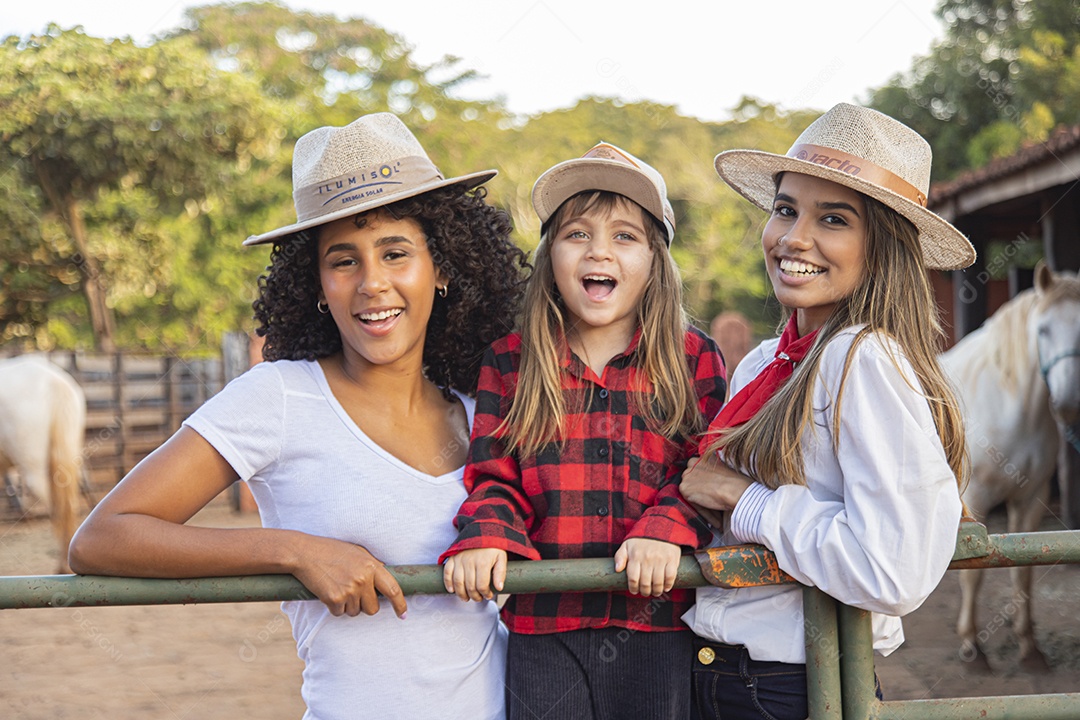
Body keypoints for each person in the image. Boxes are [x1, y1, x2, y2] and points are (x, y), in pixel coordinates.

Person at [67, 113, 529, 720]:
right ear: (316, 283)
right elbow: (102, 539)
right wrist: (295, 551)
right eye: (343, 261)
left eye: (395, 253)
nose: (372, 283)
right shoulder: (280, 397)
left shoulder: (482, 406)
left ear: (442, 267)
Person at [679, 103, 974, 720]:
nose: (794, 238)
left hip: (792, 686)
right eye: (786, 209)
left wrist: (743, 498)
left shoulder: (862, 357)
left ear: (882, 247)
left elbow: (892, 569)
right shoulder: (764, 362)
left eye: (833, 219)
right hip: (719, 673)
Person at [439, 142, 728, 719]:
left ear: (655, 261)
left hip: (657, 622)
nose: (599, 250)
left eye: (625, 236)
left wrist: (665, 531)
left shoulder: (694, 358)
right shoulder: (511, 361)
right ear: (550, 256)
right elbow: (494, 478)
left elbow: (706, 472)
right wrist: (488, 534)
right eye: (576, 234)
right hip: (544, 624)